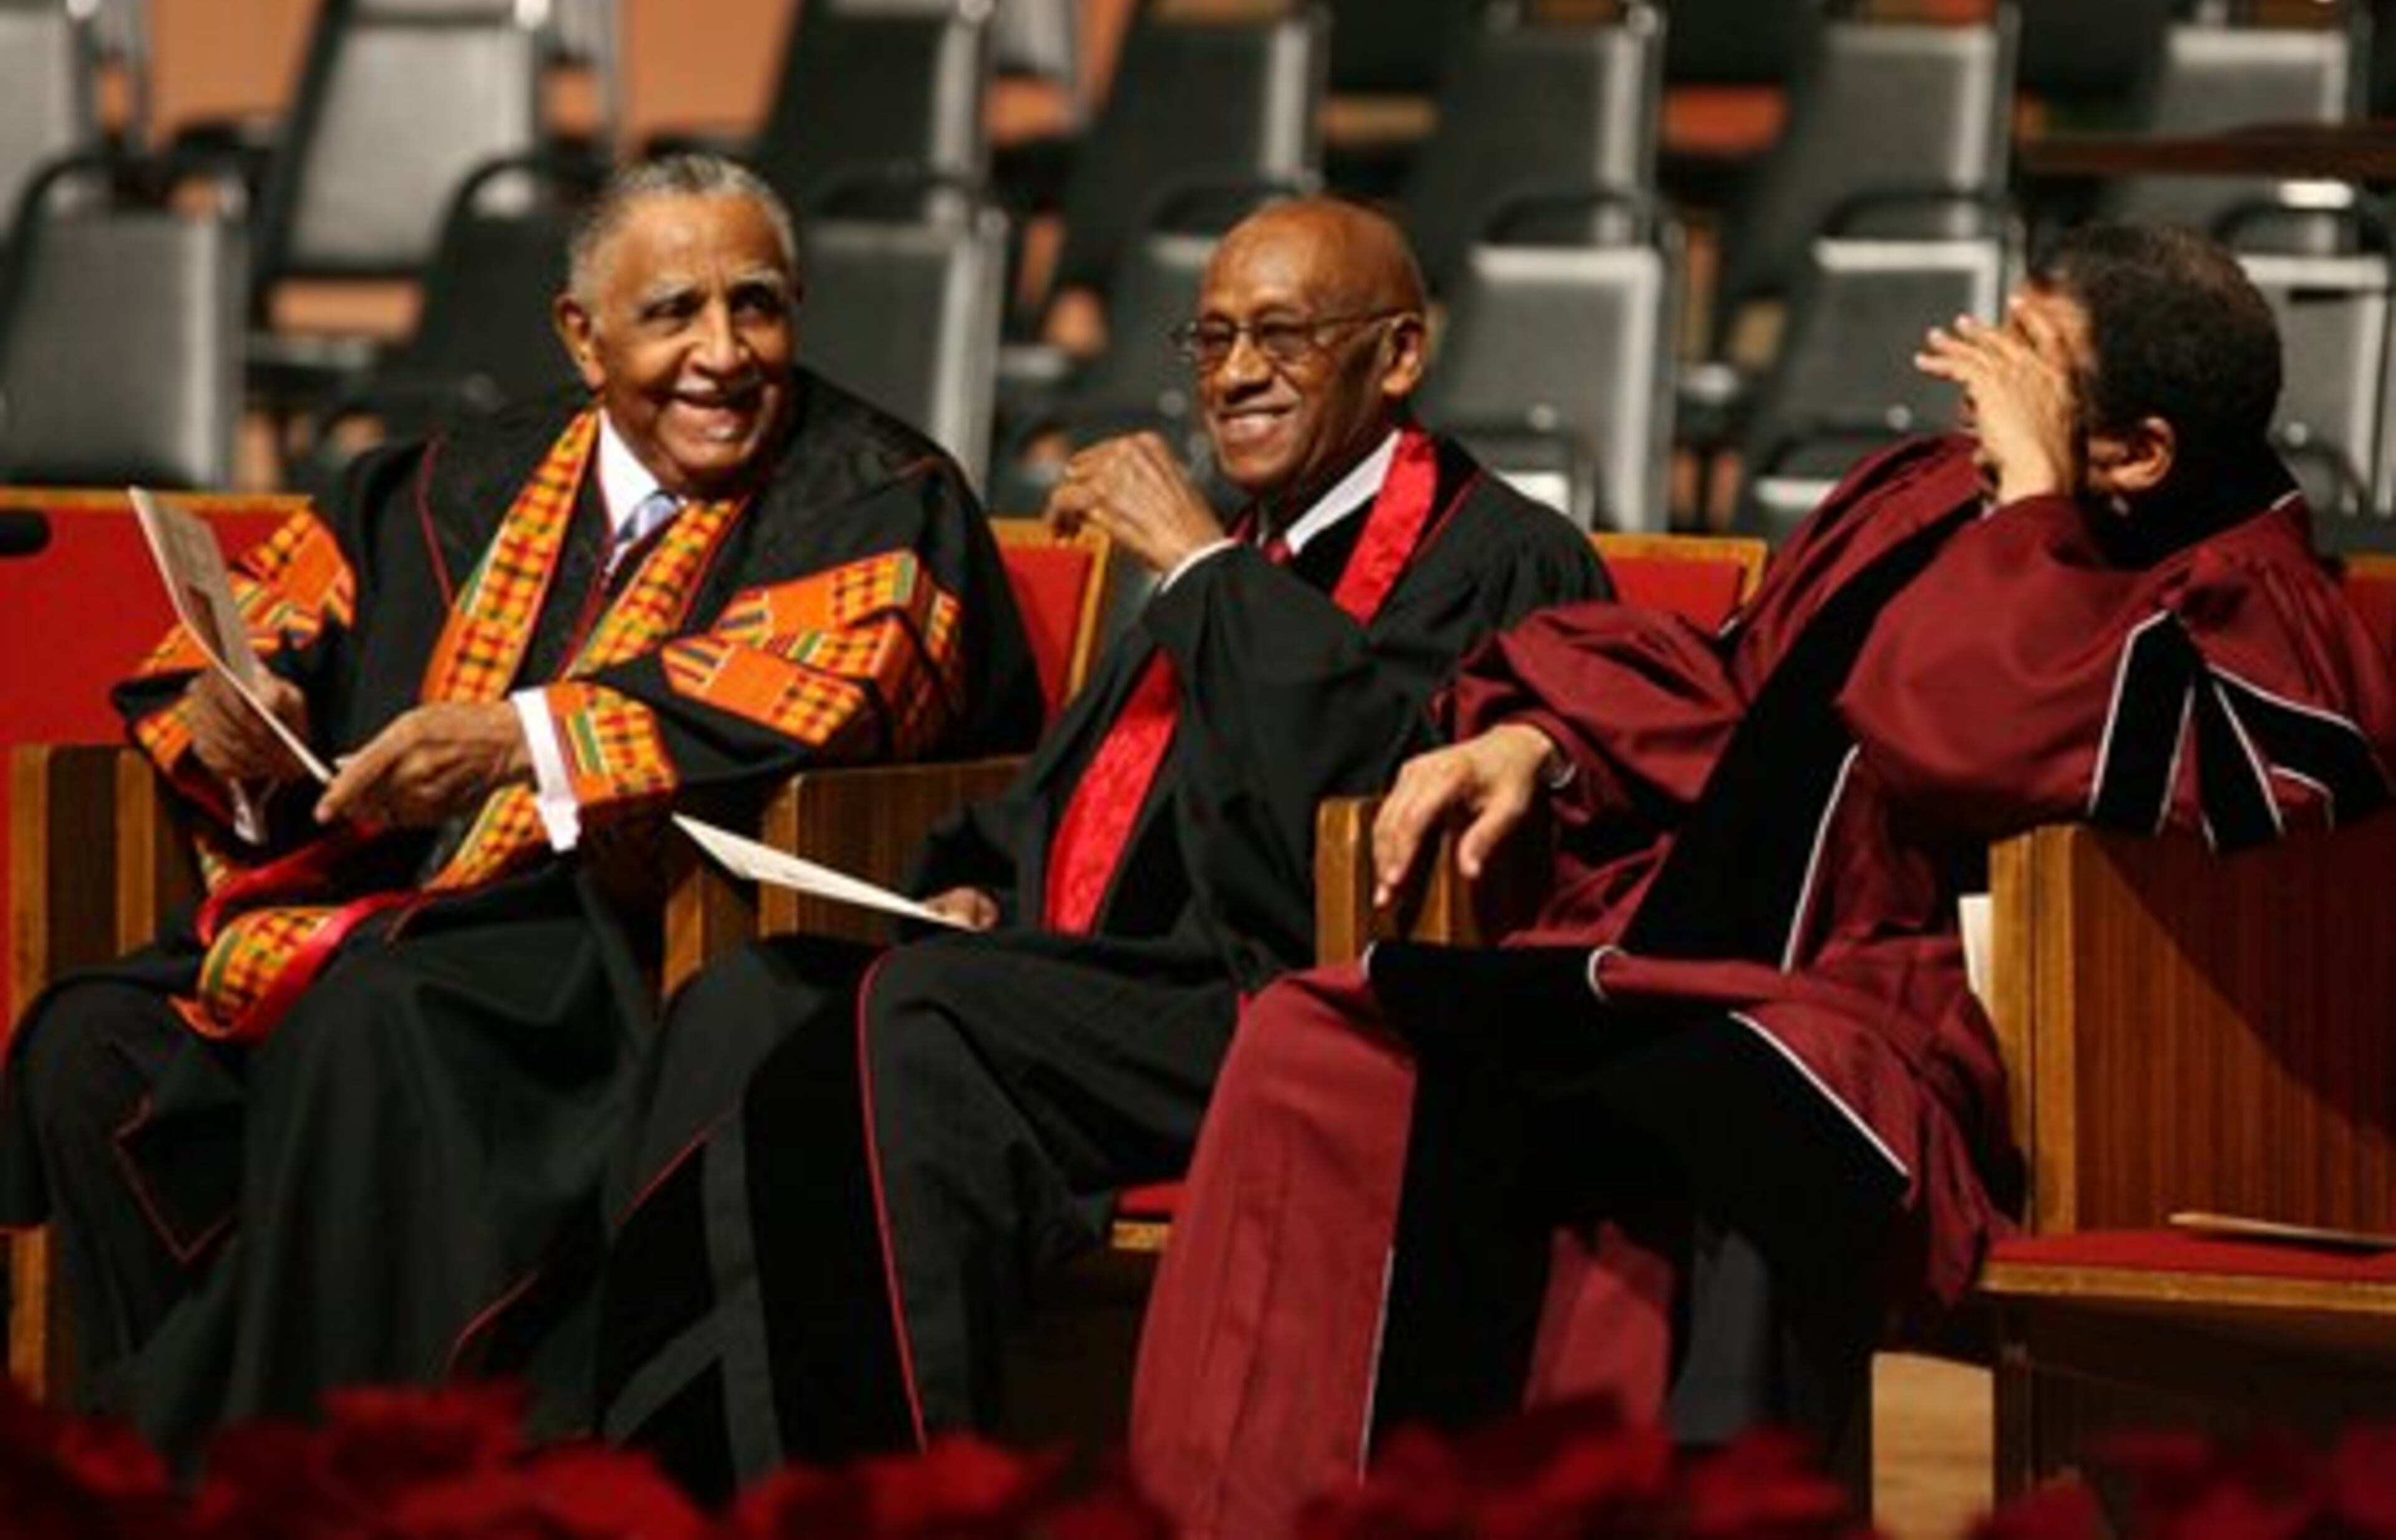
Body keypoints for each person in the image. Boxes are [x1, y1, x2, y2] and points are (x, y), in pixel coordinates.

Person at [1130, 222, 2396, 1539]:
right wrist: (1542, 742)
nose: (1978, 379)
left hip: (1916, 1015)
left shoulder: (2244, 608)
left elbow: (1963, 726)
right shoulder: (1922, 492)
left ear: (2134, 451)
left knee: (1728, 1104)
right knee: (1313, 1043)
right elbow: (1737, 683)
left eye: (2024, 359)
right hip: (1689, 946)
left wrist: (2030, 508)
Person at [0, 155, 1045, 1461]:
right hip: (396, 919)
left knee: (373, 1013)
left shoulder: (878, 495)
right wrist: (233, 720)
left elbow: (836, 687)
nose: (723, 353)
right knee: (90, 1043)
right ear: (581, 333)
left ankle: (286, 1464)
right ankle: (183, 1452)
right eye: (673, 313)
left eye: (758, 306)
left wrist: (521, 737)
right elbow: (245, 649)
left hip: (641, 943)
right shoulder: (440, 482)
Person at [577, 196, 1607, 1494]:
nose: (1235, 374)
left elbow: (1358, 802)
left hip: (1296, 1003)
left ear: (1398, 354)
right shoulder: (1244, 555)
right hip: (1105, 990)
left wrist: (1192, 566)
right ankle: (654, 1473)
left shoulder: (1503, 558)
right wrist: (971, 880)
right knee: (744, 998)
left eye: (1282, 337)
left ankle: (884, 1497)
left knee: (923, 1018)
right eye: (1215, 336)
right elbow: (1069, 800)